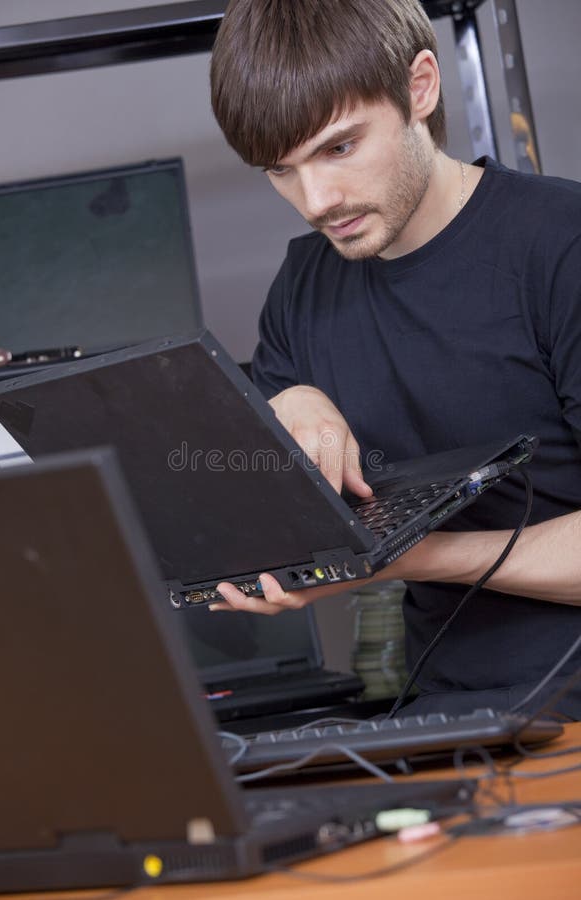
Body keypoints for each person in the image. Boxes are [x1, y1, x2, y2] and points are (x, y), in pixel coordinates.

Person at [208, 0, 581, 718]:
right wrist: (286, 407)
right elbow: (267, 522)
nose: (317, 200)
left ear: (420, 87)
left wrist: (409, 555)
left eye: (339, 148)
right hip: (441, 720)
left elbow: (388, 551)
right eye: (280, 170)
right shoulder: (302, 289)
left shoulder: (560, 249)